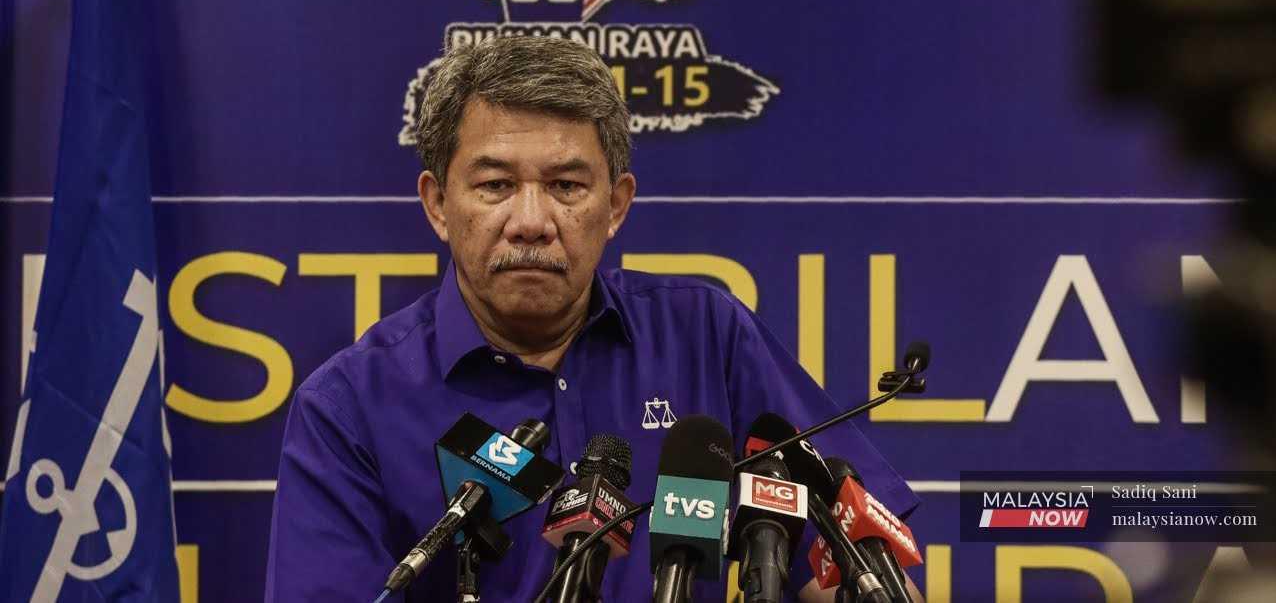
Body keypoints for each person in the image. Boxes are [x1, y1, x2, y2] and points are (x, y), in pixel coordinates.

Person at [265, 36, 921, 601]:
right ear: (438, 204)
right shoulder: (349, 408)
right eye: (495, 184)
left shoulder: (707, 338)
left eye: (566, 186)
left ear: (615, 204)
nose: (530, 221)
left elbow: (850, 560)